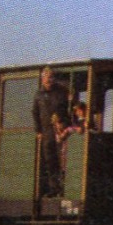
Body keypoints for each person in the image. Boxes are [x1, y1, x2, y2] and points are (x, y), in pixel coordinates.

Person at [32, 67, 70, 198]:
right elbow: (35, 113)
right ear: (42, 79)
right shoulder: (39, 95)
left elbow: (67, 108)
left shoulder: (61, 92)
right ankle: (53, 188)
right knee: (49, 161)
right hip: (46, 132)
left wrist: (64, 122)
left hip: (61, 130)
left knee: (62, 159)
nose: (50, 80)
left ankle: (62, 187)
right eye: (48, 78)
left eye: (52, 78)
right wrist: (38, 131)